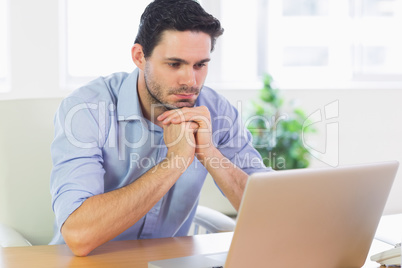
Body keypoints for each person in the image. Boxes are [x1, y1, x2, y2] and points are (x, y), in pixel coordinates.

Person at [50, 0, 271, 257]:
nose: (190, 81)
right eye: (174, 64)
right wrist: (174, 162)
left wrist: (210, 153)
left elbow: (270, 213)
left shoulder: (218, 112)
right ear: (139, 56)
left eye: (200, 65)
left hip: (170, 263)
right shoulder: (87, 108)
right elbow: (79, 235)